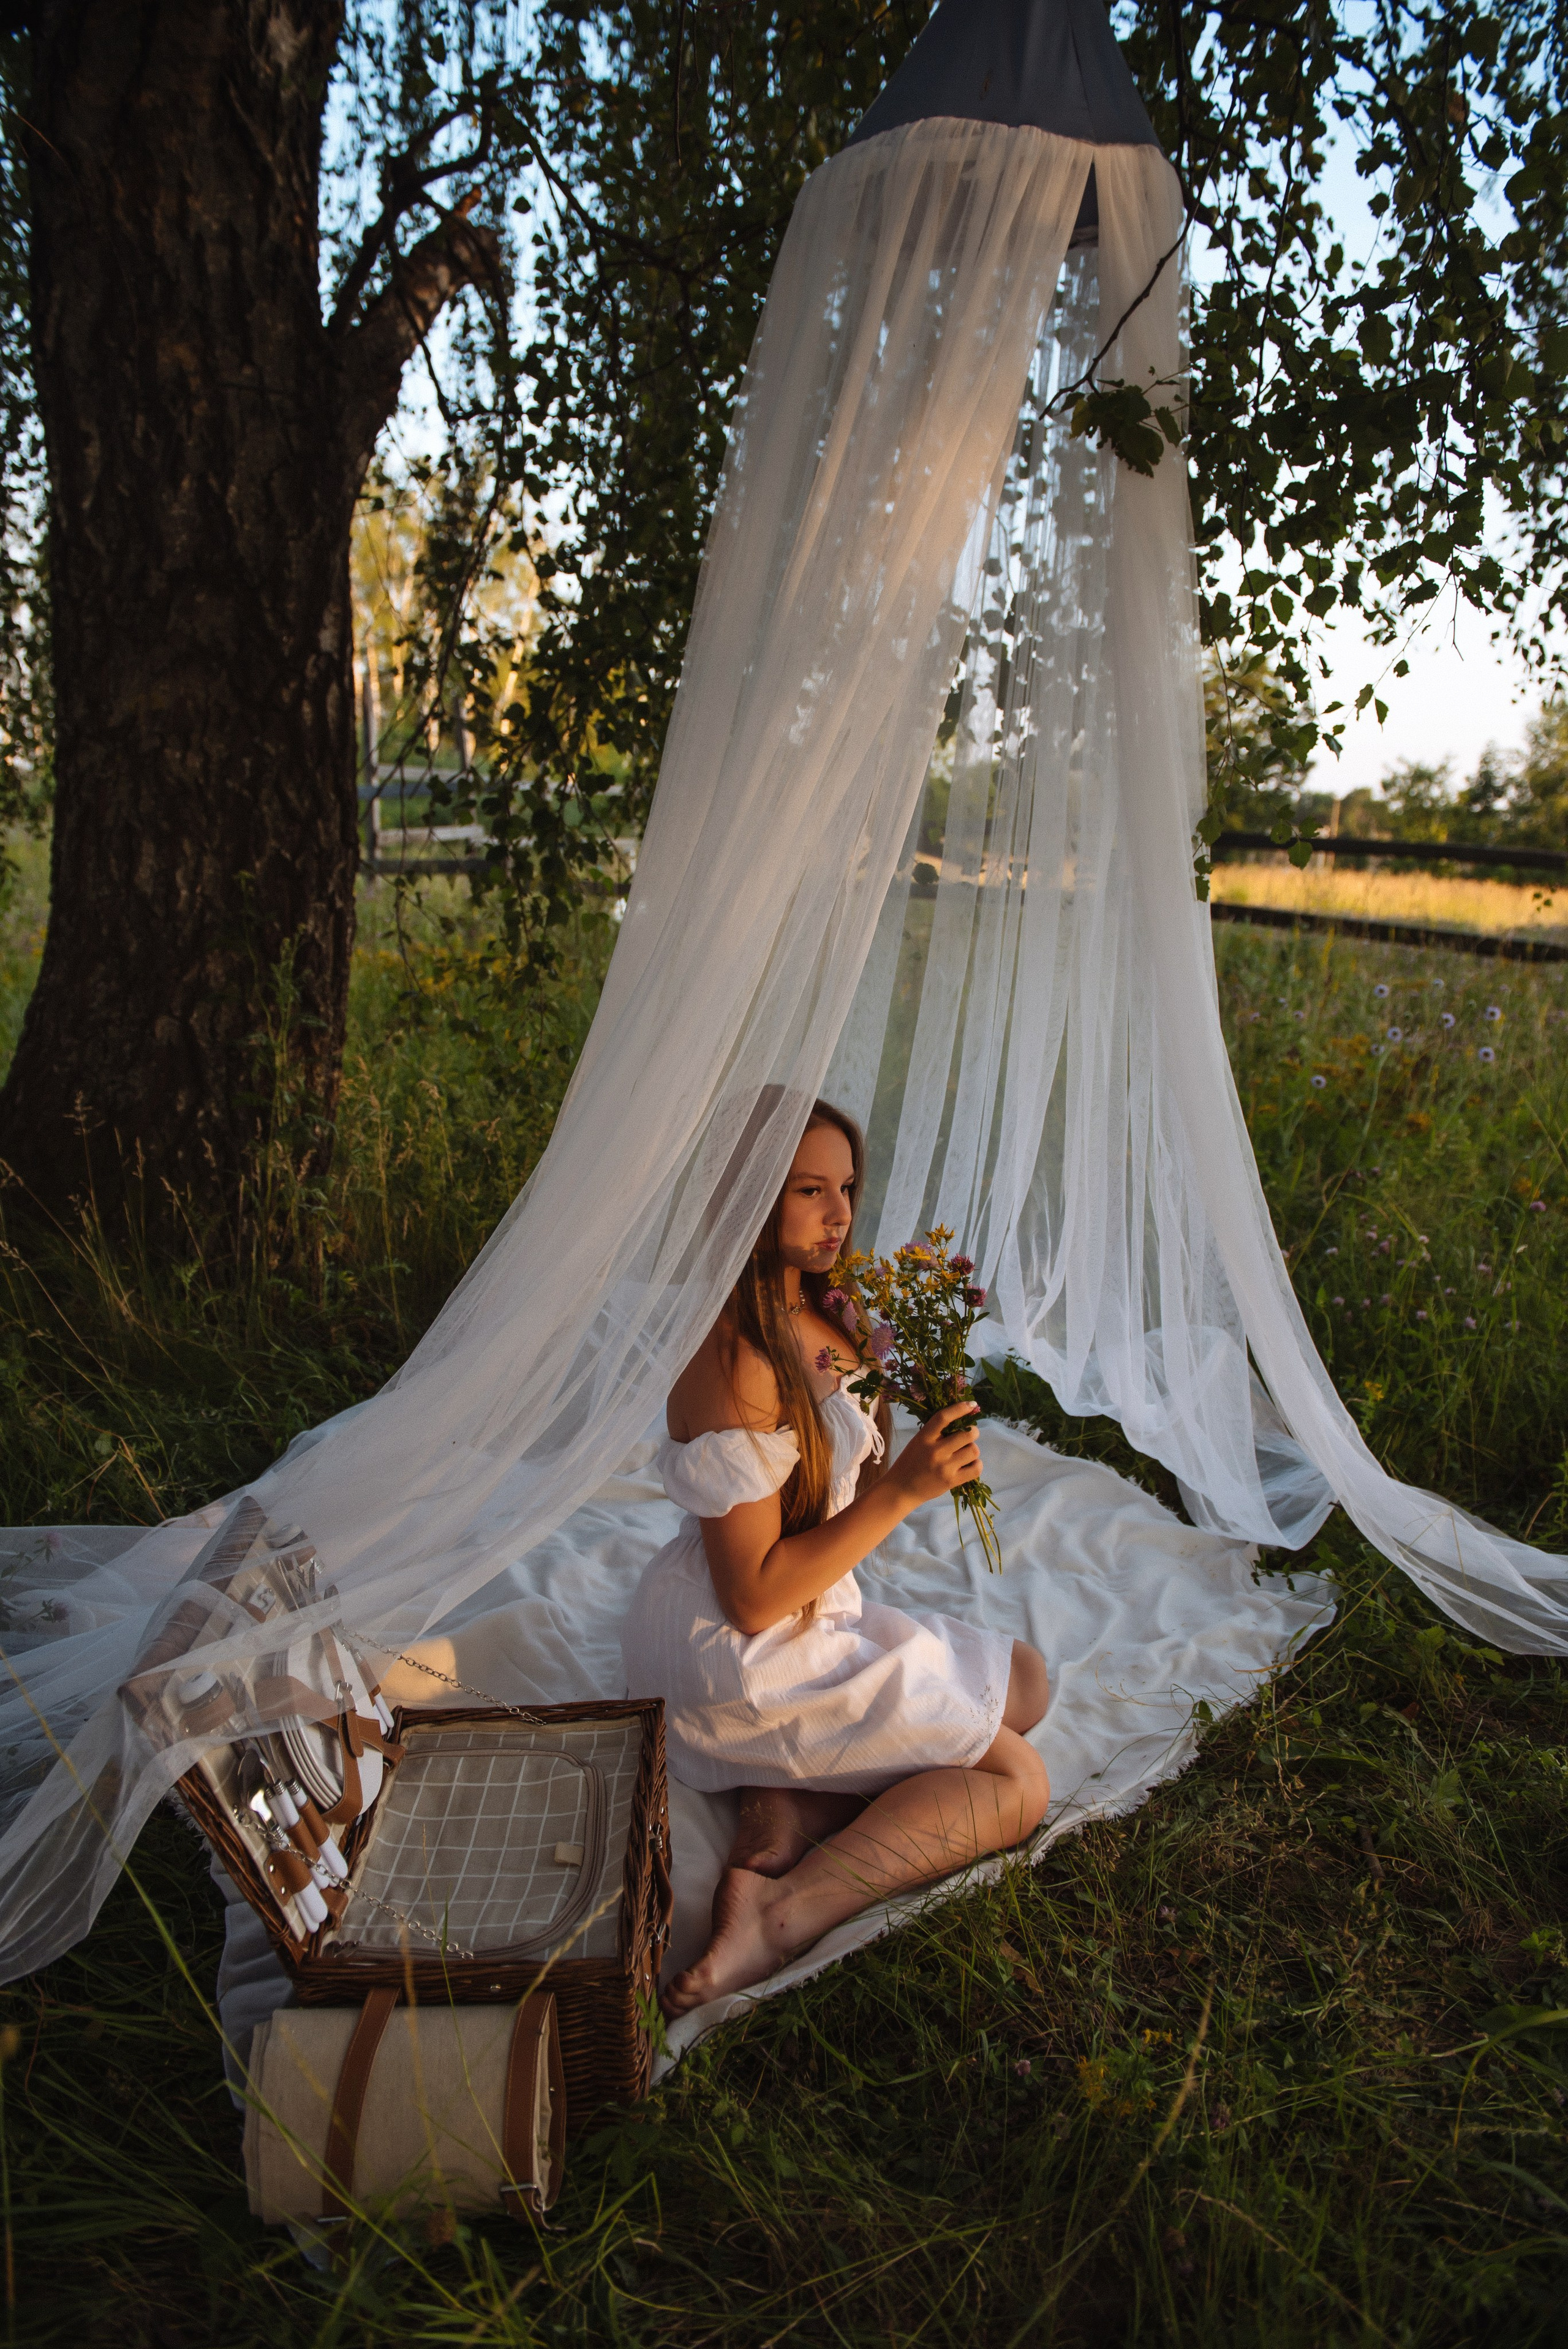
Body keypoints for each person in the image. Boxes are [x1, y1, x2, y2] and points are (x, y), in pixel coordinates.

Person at [622, 1098, 1050, 2016]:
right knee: (1019, 1782)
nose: (839, 1213)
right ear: (744, 1203)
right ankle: (781, 1912)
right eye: (809, 1190)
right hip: (742, 1654)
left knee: (1026, 1682)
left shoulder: (815, 1308)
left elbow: (832, 1453)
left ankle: (795, 1800)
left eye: (846, 1187)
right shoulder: (737, 1360)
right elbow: (751, 1599)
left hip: (811, 1607)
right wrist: (901, 1492)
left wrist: (915, 1399)